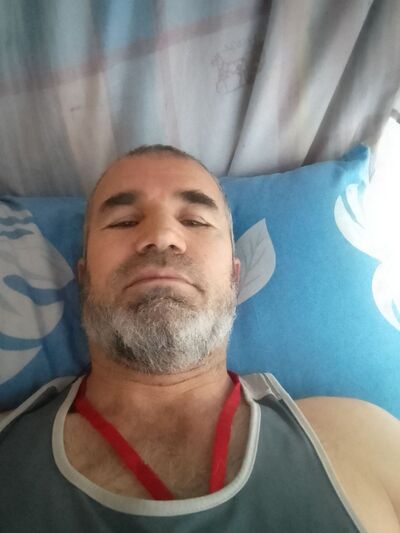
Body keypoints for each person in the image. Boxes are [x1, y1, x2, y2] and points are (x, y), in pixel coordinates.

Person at [0, 145, 399, 533]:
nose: (162, 236)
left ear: (234, 277)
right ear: (83, 279)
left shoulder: (360, 439)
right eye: (123, 221)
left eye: (195, 220)